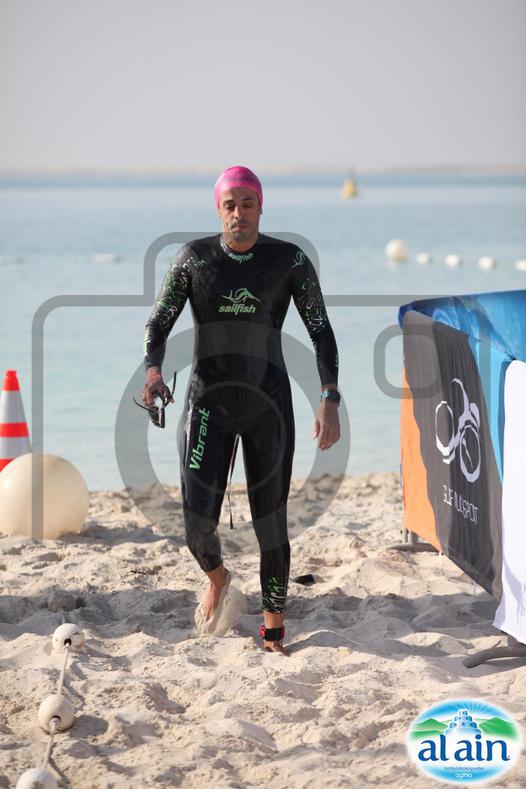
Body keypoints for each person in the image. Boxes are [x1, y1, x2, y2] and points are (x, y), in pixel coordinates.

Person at [142, 166, 340, 656]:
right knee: (196, 526)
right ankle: (219, 578)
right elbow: (159, 323)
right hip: (208, 403)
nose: (239, 213)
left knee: (270, 522)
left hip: (268, 404)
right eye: (230, 205)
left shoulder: (288, 260)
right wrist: (152, 372)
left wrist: (329, 397)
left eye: (247, 203)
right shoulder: (193, 260)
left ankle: (273, 630)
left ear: (260, 207)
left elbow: (320, 331)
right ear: (218, 210)